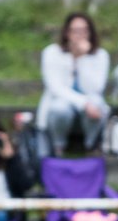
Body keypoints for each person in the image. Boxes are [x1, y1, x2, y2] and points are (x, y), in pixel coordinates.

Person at [37, 12, 110, 156]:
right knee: (60, 108)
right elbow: (55, 88)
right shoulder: (51, 53)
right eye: (75, 31)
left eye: (84, 31)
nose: (80, 35)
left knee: (96, 102)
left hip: (89, 113)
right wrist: (83, 103)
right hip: (62, 109)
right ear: (67, 33)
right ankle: (58, 146)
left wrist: (83, 59)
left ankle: (91, 145)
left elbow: (95, 89)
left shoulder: (100, 55)